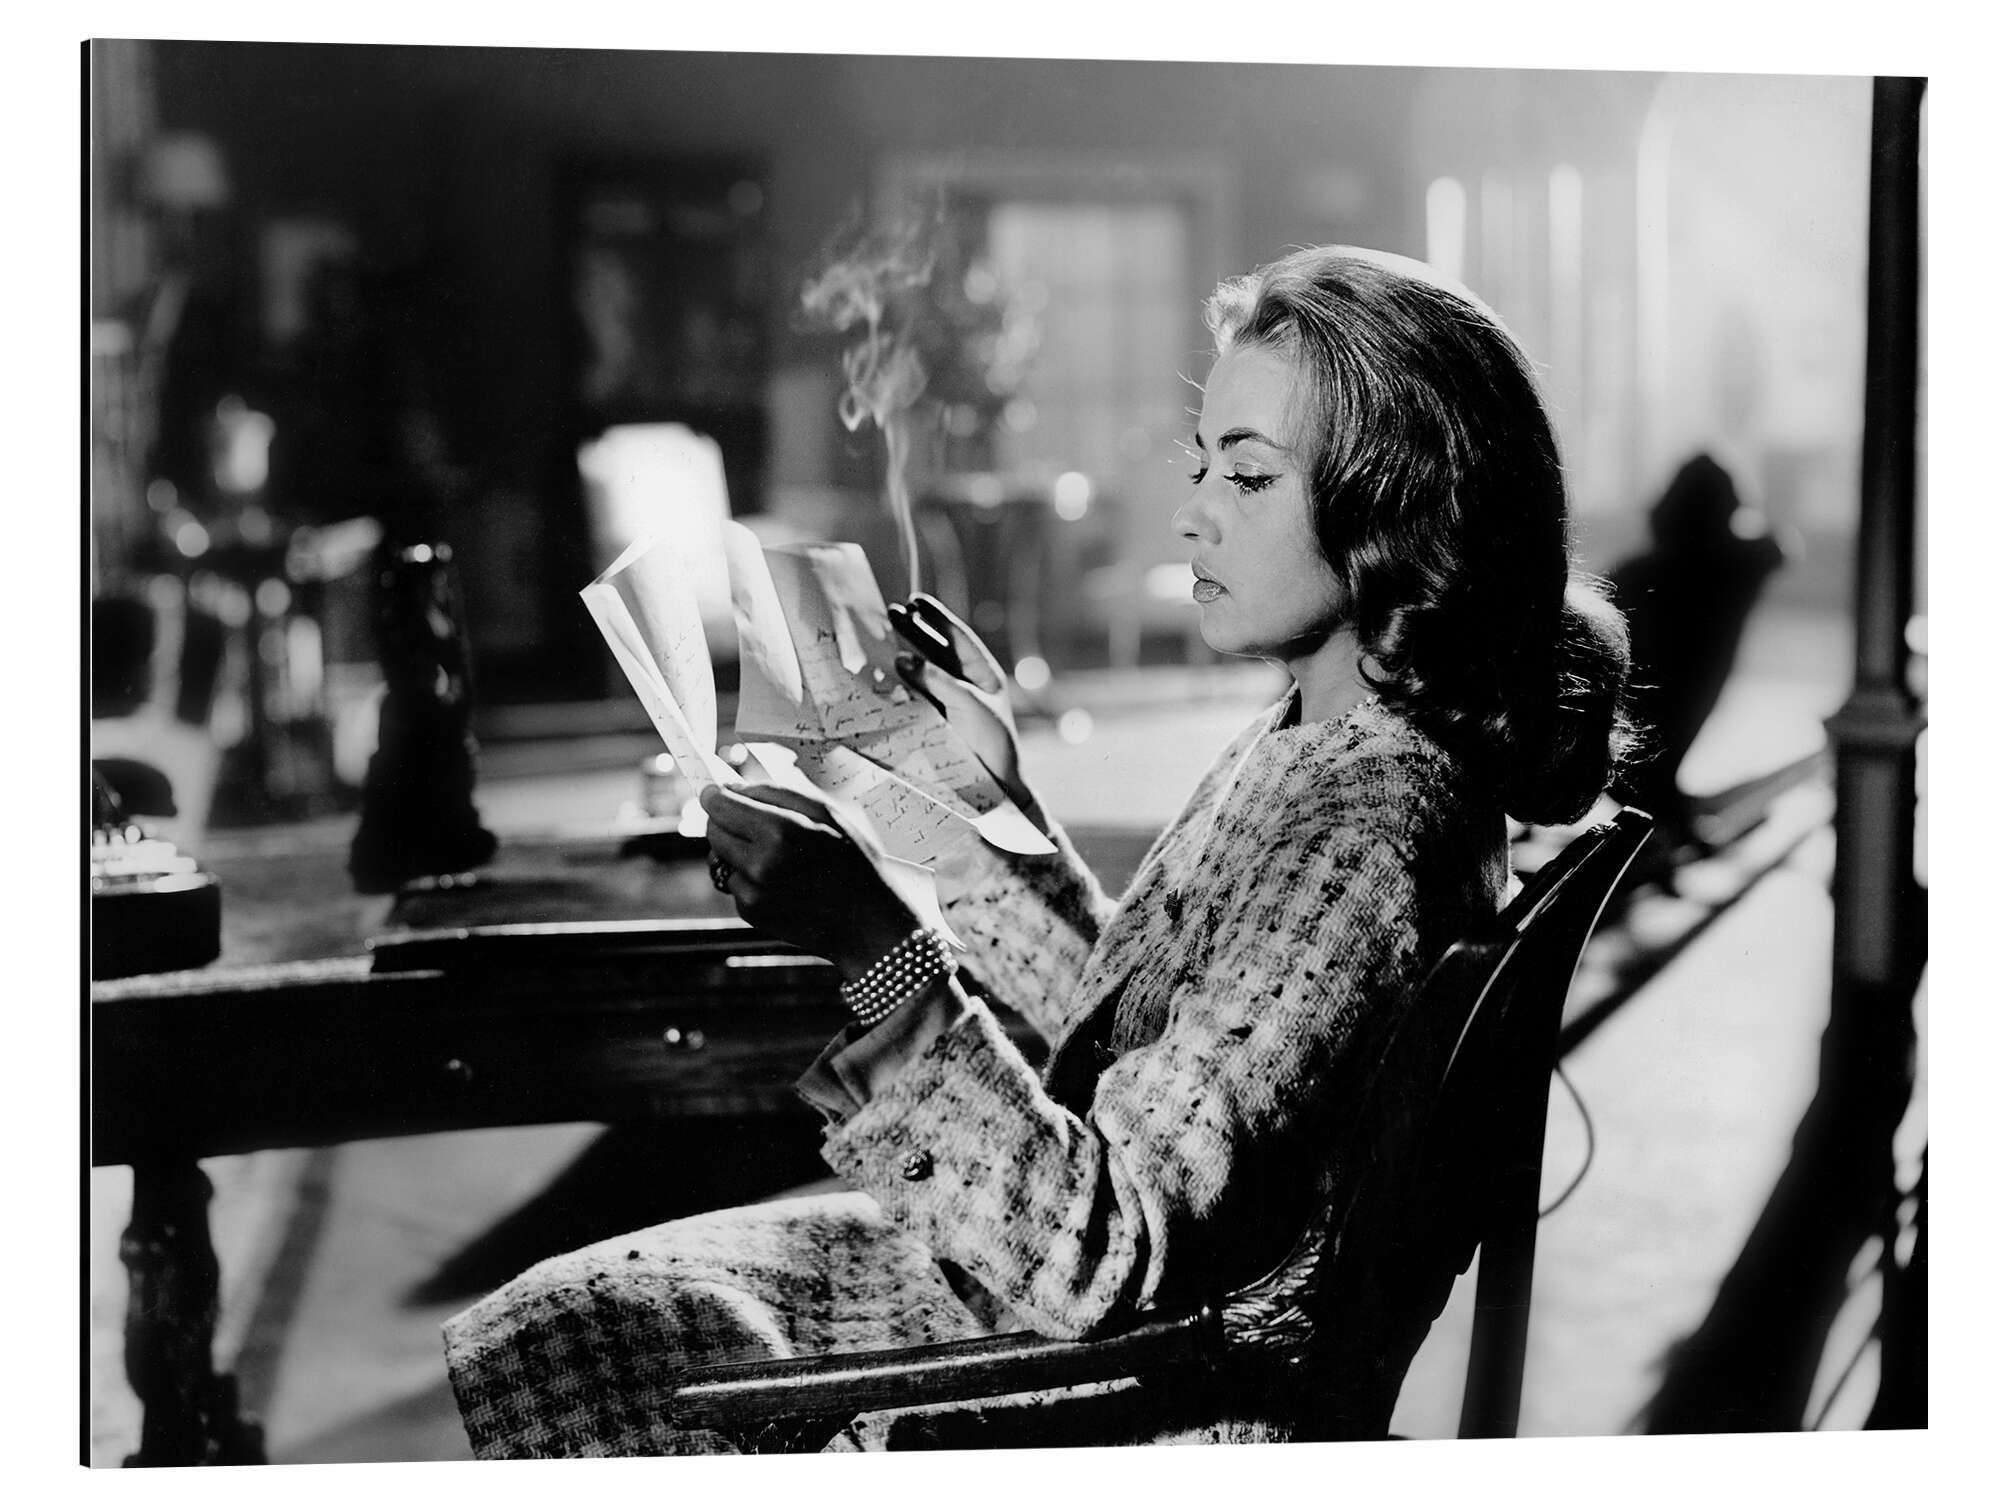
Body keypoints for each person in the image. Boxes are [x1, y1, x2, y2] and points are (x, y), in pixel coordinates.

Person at [441, 245, 1629, 1455]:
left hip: (1123, 1395)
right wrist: (981, 806)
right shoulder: (1332, 740)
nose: (1191, 512)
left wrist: (880, 951)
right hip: (1076, 1328)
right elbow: (1162, 1049)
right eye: (1200, 464)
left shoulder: (1357, 828)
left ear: (1397, 511)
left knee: (574, 1333)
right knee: (597, 1308)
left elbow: (1094, 1250)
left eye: (1249, 476)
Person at [1607, 452, 1787, 854]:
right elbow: (1777, 546)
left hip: (1626, 742)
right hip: (1668, 730)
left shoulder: (1637, 577)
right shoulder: (1739, 568)